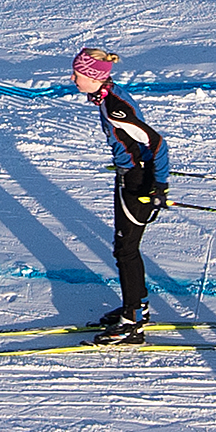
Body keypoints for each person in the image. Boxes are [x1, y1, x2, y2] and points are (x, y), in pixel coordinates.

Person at [75, 47, 170, 341]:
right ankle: (137, 305)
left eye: (77, 74)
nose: (73, 78)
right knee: (125, 248)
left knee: (125, 250)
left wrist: (159, 184)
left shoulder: (116, 107)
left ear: (93, 77)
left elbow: (157, 144)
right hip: (130, 173)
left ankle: (132, 323)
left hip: (137, 181)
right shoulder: (106, 96)